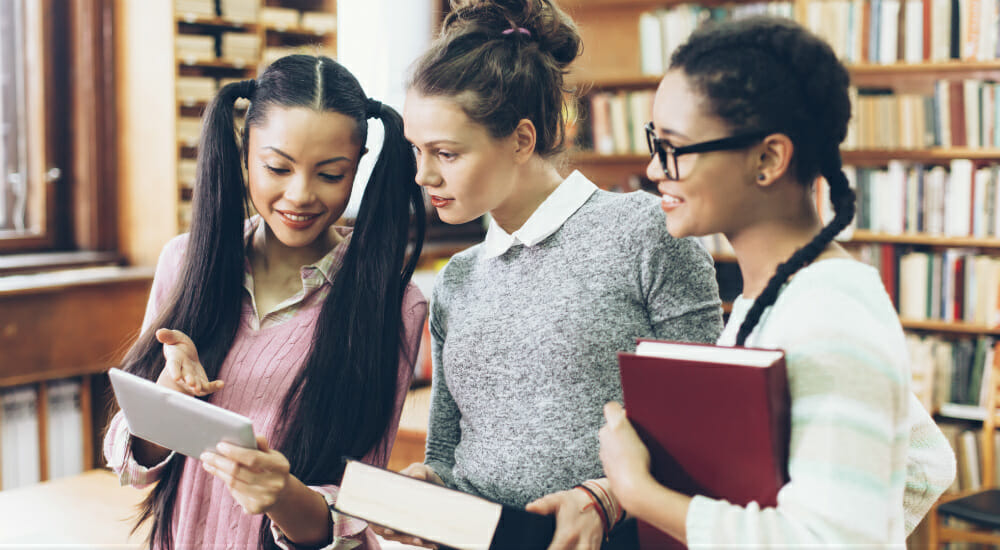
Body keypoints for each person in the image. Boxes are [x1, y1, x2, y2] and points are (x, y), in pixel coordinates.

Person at [598, 16, 957, 546]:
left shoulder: (828, 312)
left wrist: (640, 492)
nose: (654, 169)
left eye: (672, 146)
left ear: (767, 159)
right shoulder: (772, 297)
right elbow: (926, 460)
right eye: (655, 142)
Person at [380, 1, 724, 547]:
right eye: (417, 151)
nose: (424, 174)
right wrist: (431, 485)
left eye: (446, 153)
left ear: (521, 139)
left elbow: (708, 414)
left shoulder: (645, 231)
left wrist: (605, 497)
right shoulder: (458, 278)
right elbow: (446, 449)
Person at [103, 54, 428, 550]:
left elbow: (357, 511)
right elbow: (131, 463)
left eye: (330, 174)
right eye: (278, 166)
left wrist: (282, 494)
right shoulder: (184, 261)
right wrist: (167, 401)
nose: (299, 195)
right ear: (245, 153)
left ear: (359, 165)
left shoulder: (394, 305)